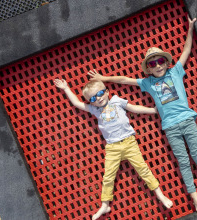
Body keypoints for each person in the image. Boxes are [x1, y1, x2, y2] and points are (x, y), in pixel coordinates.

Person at [87, 15, 197, 214]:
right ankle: (195, 197)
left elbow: (186, 50)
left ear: (166, 62)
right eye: (152, 63)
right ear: (148, 68)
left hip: (187, 119)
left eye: (159, 61)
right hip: (170, 127)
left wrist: (190, 29)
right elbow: (124, 80)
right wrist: (104, 78)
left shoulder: (175, 72)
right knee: (183, 162)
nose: (157, 65)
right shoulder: (148, 83)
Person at [54, 79, 173, 220]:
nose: (98, 98)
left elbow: (133, 108)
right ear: (90, 102)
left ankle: (160, 195)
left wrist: (153, 111)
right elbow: (77, 104)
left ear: (107, 92)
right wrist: (66, 88)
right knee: (108, 177)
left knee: (143, 169)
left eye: (100, 93)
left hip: (129, 142)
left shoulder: (116, 101)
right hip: (112, 148)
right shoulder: (94, 109)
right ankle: (105, 205)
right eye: (93, 98)